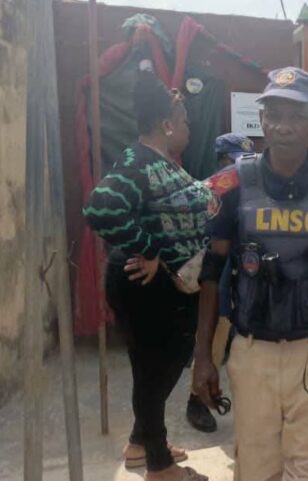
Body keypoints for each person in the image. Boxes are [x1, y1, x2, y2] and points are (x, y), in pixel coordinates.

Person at [193, 67, 308, 481]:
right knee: (255, 468)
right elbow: (211, 274)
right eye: (273, 114)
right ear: (261, 119)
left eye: (296, 115)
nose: (283, 126)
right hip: (253, 351)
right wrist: (203, 357)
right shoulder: (232, 185)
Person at [83, 71, 210, 481]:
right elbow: (100, 207)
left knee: (152, 368)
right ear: (167, 124)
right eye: (185, 121)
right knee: (157, 369)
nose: (189, 128)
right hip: (145, 285)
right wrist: (150, 248)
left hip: (157, 285)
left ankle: (143, 443)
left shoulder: (159, 162)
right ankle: (160, 467)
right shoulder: (137, 161)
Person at [186, 133, 254, 433]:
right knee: (214, 338)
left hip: (246, 275)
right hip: (219, 277)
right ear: (223, 159)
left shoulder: (247, 183)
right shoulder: (212, 187)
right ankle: (197, 400)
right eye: (233, 160)